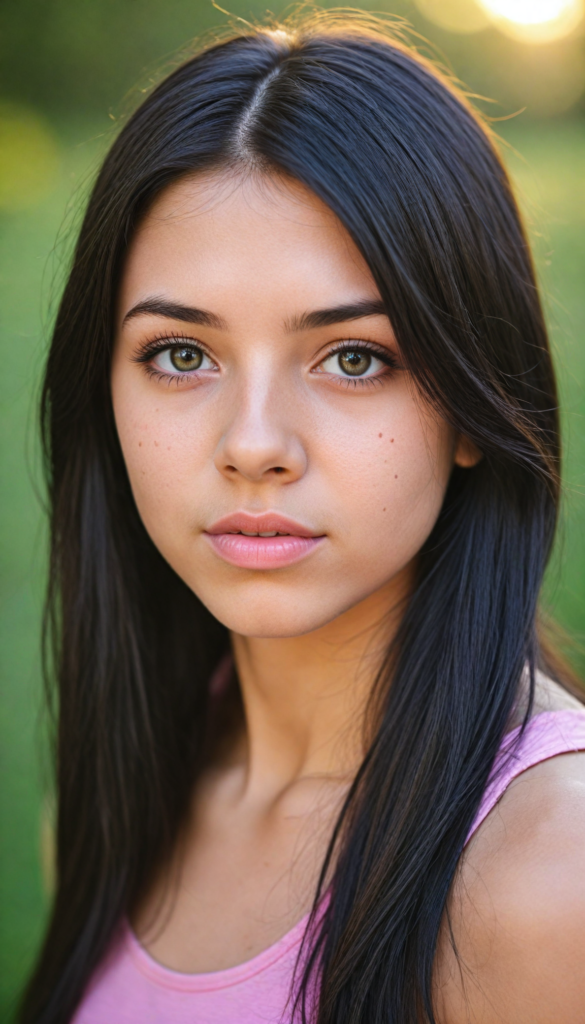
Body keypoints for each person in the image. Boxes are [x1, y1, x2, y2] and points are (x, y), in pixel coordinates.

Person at [20, 12, 585, 1024]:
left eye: (353, 358)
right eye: (181, 355)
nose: (253, 443)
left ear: (473, 404)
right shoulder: (119, 797)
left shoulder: (551, 874)